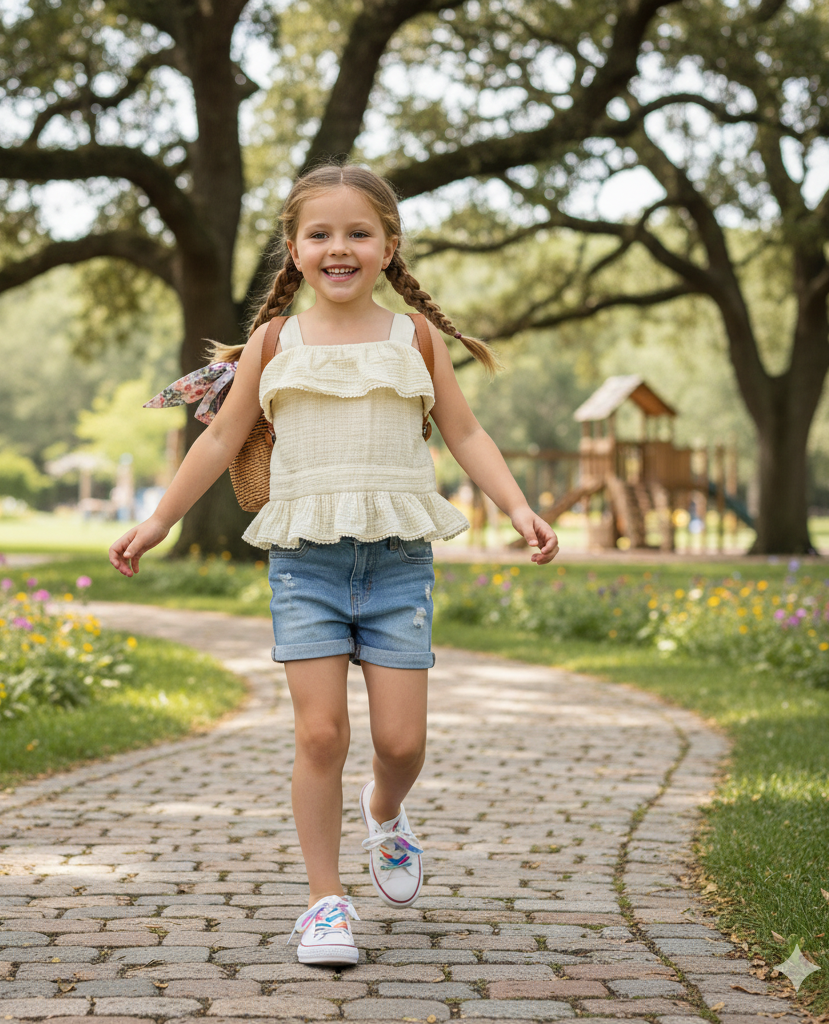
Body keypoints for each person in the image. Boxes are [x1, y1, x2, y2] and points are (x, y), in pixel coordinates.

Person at [109, 164, 559, 967]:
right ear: (294, 248)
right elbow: (216, 439)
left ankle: (385, 812)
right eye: (320, 234)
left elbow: (465, 433)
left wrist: (519, 506)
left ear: (389, 246)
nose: (339, 248)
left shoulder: (413, 339)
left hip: (396, 563)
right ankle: (325, 903)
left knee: (401, 741)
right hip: (304, 565)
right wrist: (158, 520)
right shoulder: (274, 343)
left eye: (358, 233)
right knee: (320, 733)